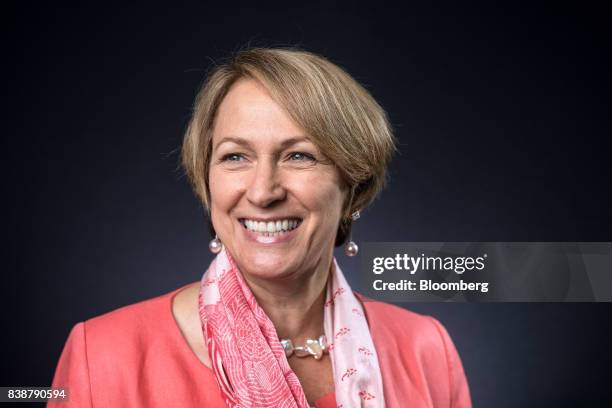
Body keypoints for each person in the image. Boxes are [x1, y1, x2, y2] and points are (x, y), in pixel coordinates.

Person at [49, 47, 471, 407]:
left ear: (352, 184)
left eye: (299, 156)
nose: (263, 191)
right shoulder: (101, 353)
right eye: (235, 157)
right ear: (207, 177)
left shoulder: (425, 349)